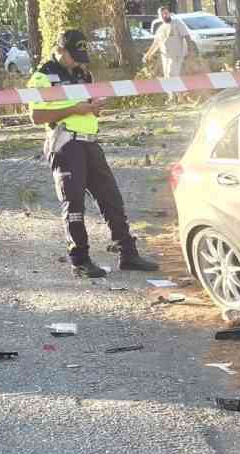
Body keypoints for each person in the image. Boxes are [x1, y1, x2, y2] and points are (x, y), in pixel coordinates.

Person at [27, 30, 159, 278]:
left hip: (90, 142)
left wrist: (95, 108)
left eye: (81, 55)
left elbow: (89, 108)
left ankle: (128, 253)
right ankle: (80, 260)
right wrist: (73, 109)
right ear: (60, 50)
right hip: (65, 143)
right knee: (74, 203)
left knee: (112, 199)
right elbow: (36, 116)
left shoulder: (83, 73)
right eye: (74, 56)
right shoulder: (43, 76)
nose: (78, 61)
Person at [143, 6, 193, 100]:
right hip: (165, 56)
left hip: (177, 54)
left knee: (172, 74)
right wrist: (148, 55)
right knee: (167, 77)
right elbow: (156, 44)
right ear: (159, 16)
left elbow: (187, 36)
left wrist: (190, 51)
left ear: (169, 13)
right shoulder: (160, 29)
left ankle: (179, 97)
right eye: (162, 14)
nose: (164, 15)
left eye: (166, 13)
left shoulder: (177, 23)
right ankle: (174, 97)